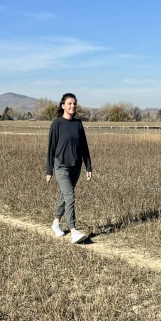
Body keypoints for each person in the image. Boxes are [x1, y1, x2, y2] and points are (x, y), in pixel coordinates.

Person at [45, 93, 92, 244]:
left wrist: (88, 166)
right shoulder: (57, 124)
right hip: (61, 165)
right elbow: (51, 148)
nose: (72, 106)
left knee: (65, 195)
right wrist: (49, 170)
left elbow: (84, 146)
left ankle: (55, 223)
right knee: (70, 195)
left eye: (74, 104)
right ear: (63, 106)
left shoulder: (78, 124)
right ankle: (73, 230)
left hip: (76, 165)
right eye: (69, 103)